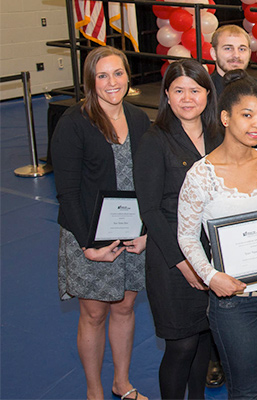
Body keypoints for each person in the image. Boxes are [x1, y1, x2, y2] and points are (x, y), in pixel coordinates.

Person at [177, 69, 257, 398]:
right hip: (233, 302)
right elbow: (186, 236)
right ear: (225, 117)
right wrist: (211, 277)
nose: (256, 124)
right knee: (244, 390)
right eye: (246, 115)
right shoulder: (201, 176)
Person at [51, 46, 149, 400]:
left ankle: (121, 383)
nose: (112, 82)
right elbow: (68, 192)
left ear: (128, 76)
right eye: (103, 75)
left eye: (118, 73)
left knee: (124, 306)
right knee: (93, 314)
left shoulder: (139, 119)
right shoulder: (74, 124)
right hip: (88, 234)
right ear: (91, 81)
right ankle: (94, 392)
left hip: (132, 235)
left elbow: (150, 181)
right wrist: (88, 246)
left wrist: (147, 232)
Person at [133, 59, 221, 399]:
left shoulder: (218, 136)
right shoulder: (155, 140)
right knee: (181, 345)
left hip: (212, 257)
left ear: (207, 94)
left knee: (202, 339)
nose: (187, 98)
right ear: (166, 95)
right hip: (173, 262)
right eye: (179, 90)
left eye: (195, 90)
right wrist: (185, 264)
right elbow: (151, 210)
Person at [209, 24, 257, 105]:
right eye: (228, 48)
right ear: (213, 53)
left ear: (249, 53)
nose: (236, 55)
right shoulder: (203, 93)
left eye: (242, 49)